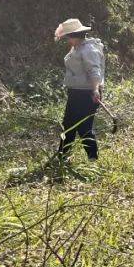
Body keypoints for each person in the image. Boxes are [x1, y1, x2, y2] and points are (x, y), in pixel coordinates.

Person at [54, 18, 105, 161]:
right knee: (69, 124)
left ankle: (92, 158)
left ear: (73, 35)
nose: (66, 39)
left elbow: (95, 71)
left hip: (87, 93)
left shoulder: (89, 49)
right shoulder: (77, 47)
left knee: (84, 127)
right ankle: (62, 156)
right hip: (75, 92)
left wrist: (95, 90)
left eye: (67, 37)